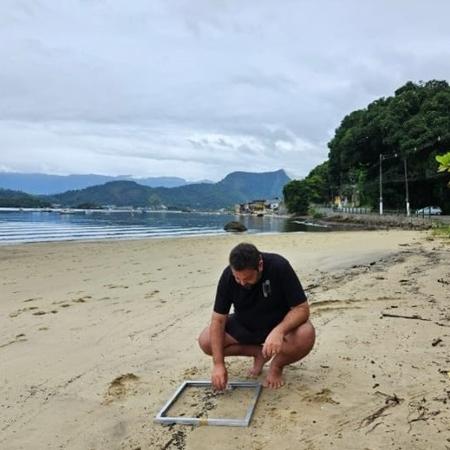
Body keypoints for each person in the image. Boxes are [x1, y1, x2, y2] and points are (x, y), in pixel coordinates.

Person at [198, 242, 315, 390]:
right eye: (237, 278)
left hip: (278, 322)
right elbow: (218, 320)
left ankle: (277, 366)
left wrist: (279, 331)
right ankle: (258, 352)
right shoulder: (228, 276)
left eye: (247, 279)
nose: (241, 283)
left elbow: (302, 309)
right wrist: (218, 364)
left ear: (259, 265)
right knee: (206, 341)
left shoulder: (279, 266)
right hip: (245, 324)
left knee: (306, 334)